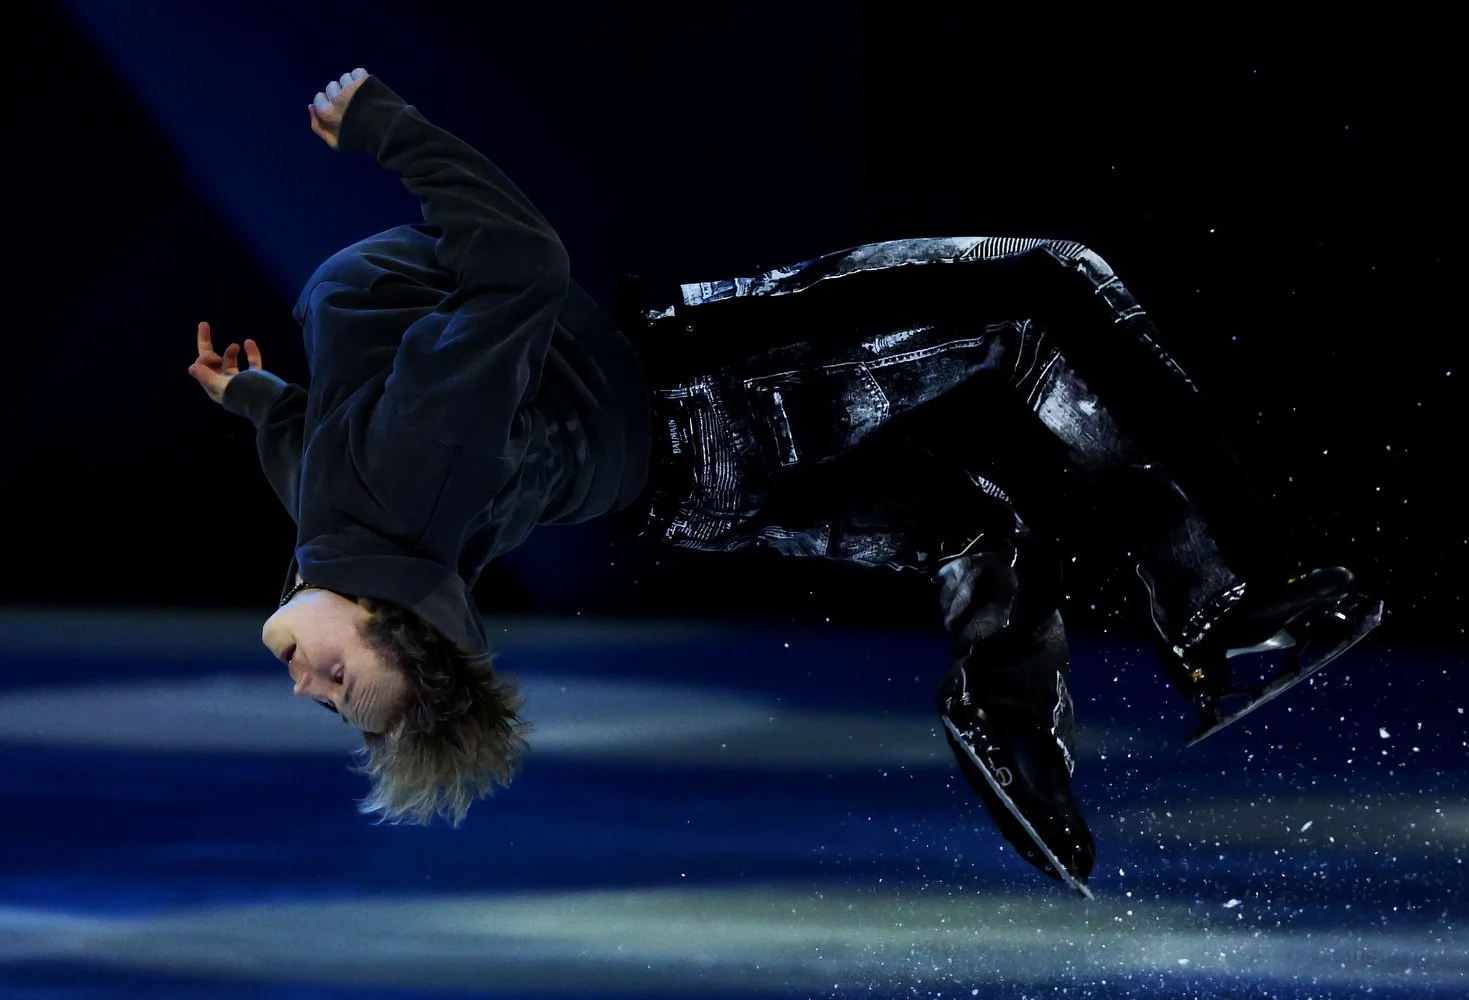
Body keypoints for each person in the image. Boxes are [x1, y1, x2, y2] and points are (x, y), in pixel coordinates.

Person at [189, 69, 1380, 894]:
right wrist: (388, 126)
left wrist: (247, 397)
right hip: (712, 396)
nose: (307, 688)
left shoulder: (334, 520)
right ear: (398, 619)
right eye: (345, 686)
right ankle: (1230, 601)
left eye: (328, 687)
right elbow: (519, 262)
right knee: (1049, 291)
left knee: (968, 526)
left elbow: (304, 445)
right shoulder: (407, 476)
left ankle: (1005, 715)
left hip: (684, 496)